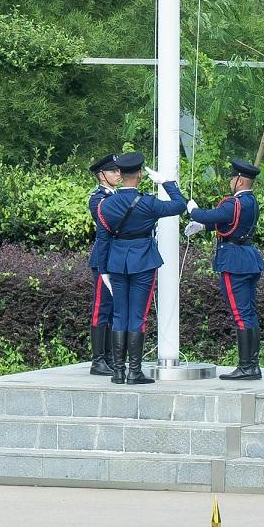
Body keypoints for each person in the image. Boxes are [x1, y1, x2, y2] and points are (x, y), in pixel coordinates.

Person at [89, 159, 188, 384]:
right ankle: (134, 372)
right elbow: (180, 205)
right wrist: (166, 182)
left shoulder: (106, 205)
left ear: (121, 175)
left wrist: (103, 269)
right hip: (142, 261)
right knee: (137, 316)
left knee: (119, 315)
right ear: (140, 175)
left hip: (116, 263)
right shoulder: (148, 203)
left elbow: (102, 239)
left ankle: (118, 372)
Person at [183, 164, 264, 379]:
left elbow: (210, 215)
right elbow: (230, 222)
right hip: (248, 257)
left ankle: (247, 367)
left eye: (232, 178)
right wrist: (204, 228)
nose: (230, 181)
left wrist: (193, 210)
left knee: (240, 315)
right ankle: (252, 365)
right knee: (249, 313)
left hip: (234, 260)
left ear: (239, 180)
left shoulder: (235, 203)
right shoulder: (250, 202)